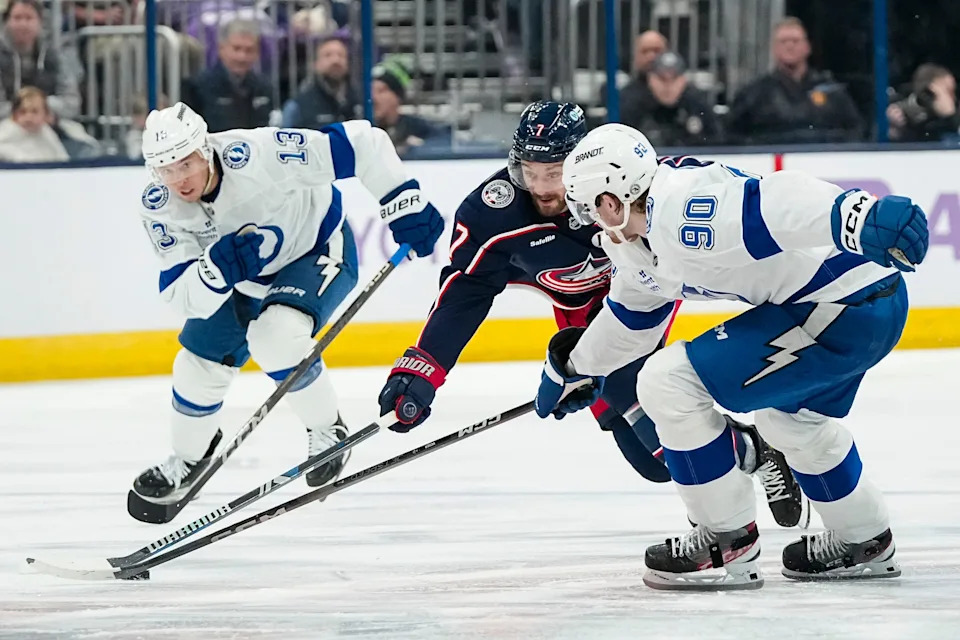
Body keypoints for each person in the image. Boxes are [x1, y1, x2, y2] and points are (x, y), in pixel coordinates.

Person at [536, 122, 929, 589]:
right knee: (789, 423)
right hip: (857, 305)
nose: (588, 222)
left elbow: (779, 202)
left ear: (611, 200)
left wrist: (858, 214)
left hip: (841, 308)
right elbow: (632, 318)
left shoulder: (683, 210)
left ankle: (727, 540)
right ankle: (865, 540)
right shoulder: (636, 241)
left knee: (667, 382)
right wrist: (576, 369)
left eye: (587, 209)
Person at [376, 101, 804, 528]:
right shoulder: (494, 213)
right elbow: (465, 293)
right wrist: (423, 368)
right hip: (579, 321)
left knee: (657, 431)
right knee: (653, 463)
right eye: (529, 170)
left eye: (554, 173)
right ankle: (753, 448)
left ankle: (722, 526)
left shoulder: (616, 186)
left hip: (640, 303)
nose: (541, 187)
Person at [132, 103, 444, 503]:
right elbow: (182, 298)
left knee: (275, 337)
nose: (179, 180)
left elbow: (363, 142)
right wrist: (214, 271)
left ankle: (328, 431)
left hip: (315, 251)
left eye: (186, 163)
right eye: (166, 169)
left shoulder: (261, 154)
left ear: (205, 148)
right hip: (242, 282)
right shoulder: (159, 206)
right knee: (195, 364)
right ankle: (191, 458)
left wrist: (402, 199)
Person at [727, 17, 863, 144]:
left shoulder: (831, 91)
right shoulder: (754, 94)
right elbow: (731, 137)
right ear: (774, 48)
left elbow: (855, 131)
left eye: (795, 41)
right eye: (783, 41)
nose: (790, 46)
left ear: (807, 47)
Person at [181, 18, 273, 133]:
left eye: (249, 50)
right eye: (236, 48)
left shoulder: (264, 87)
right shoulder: (197, 86)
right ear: (221, 48)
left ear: (257, 53)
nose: (242, 57)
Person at [0, 0, 81, 121]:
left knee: (85, 141)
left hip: (51, 122)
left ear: (40, 22)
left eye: (29, 18)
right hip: (6, 125)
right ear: (6, 22)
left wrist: (41, 109)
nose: (23, 24)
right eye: (17, 18)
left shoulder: (55, 55)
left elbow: (72, 102)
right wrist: (24, 113)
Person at [619, 51, 722, 147]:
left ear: (683, 80)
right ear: (650, 79)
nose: (668, 86)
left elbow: (719, 142)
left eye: (674, 79)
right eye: (662, 79)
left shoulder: (698, 106)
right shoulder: (632, 107)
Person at [372, 59, 449, 157]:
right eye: (371, 91)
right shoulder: (363, 129)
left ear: (397, 96)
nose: (373, 97)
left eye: (381, 91)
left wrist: (418, 149)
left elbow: (444, 142)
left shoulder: (416, 127)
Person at [282, 36, 359, 129]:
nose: (335, 60)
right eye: (328, 55)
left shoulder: (361, 101)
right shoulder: (298, 107)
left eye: (341, 55)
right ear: (315, 64)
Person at [887, 64, 960, 142]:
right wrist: (895, 130)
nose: (953, 97)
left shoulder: (955, 115)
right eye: (948, 91)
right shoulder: (907, 113)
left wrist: (951, 115)